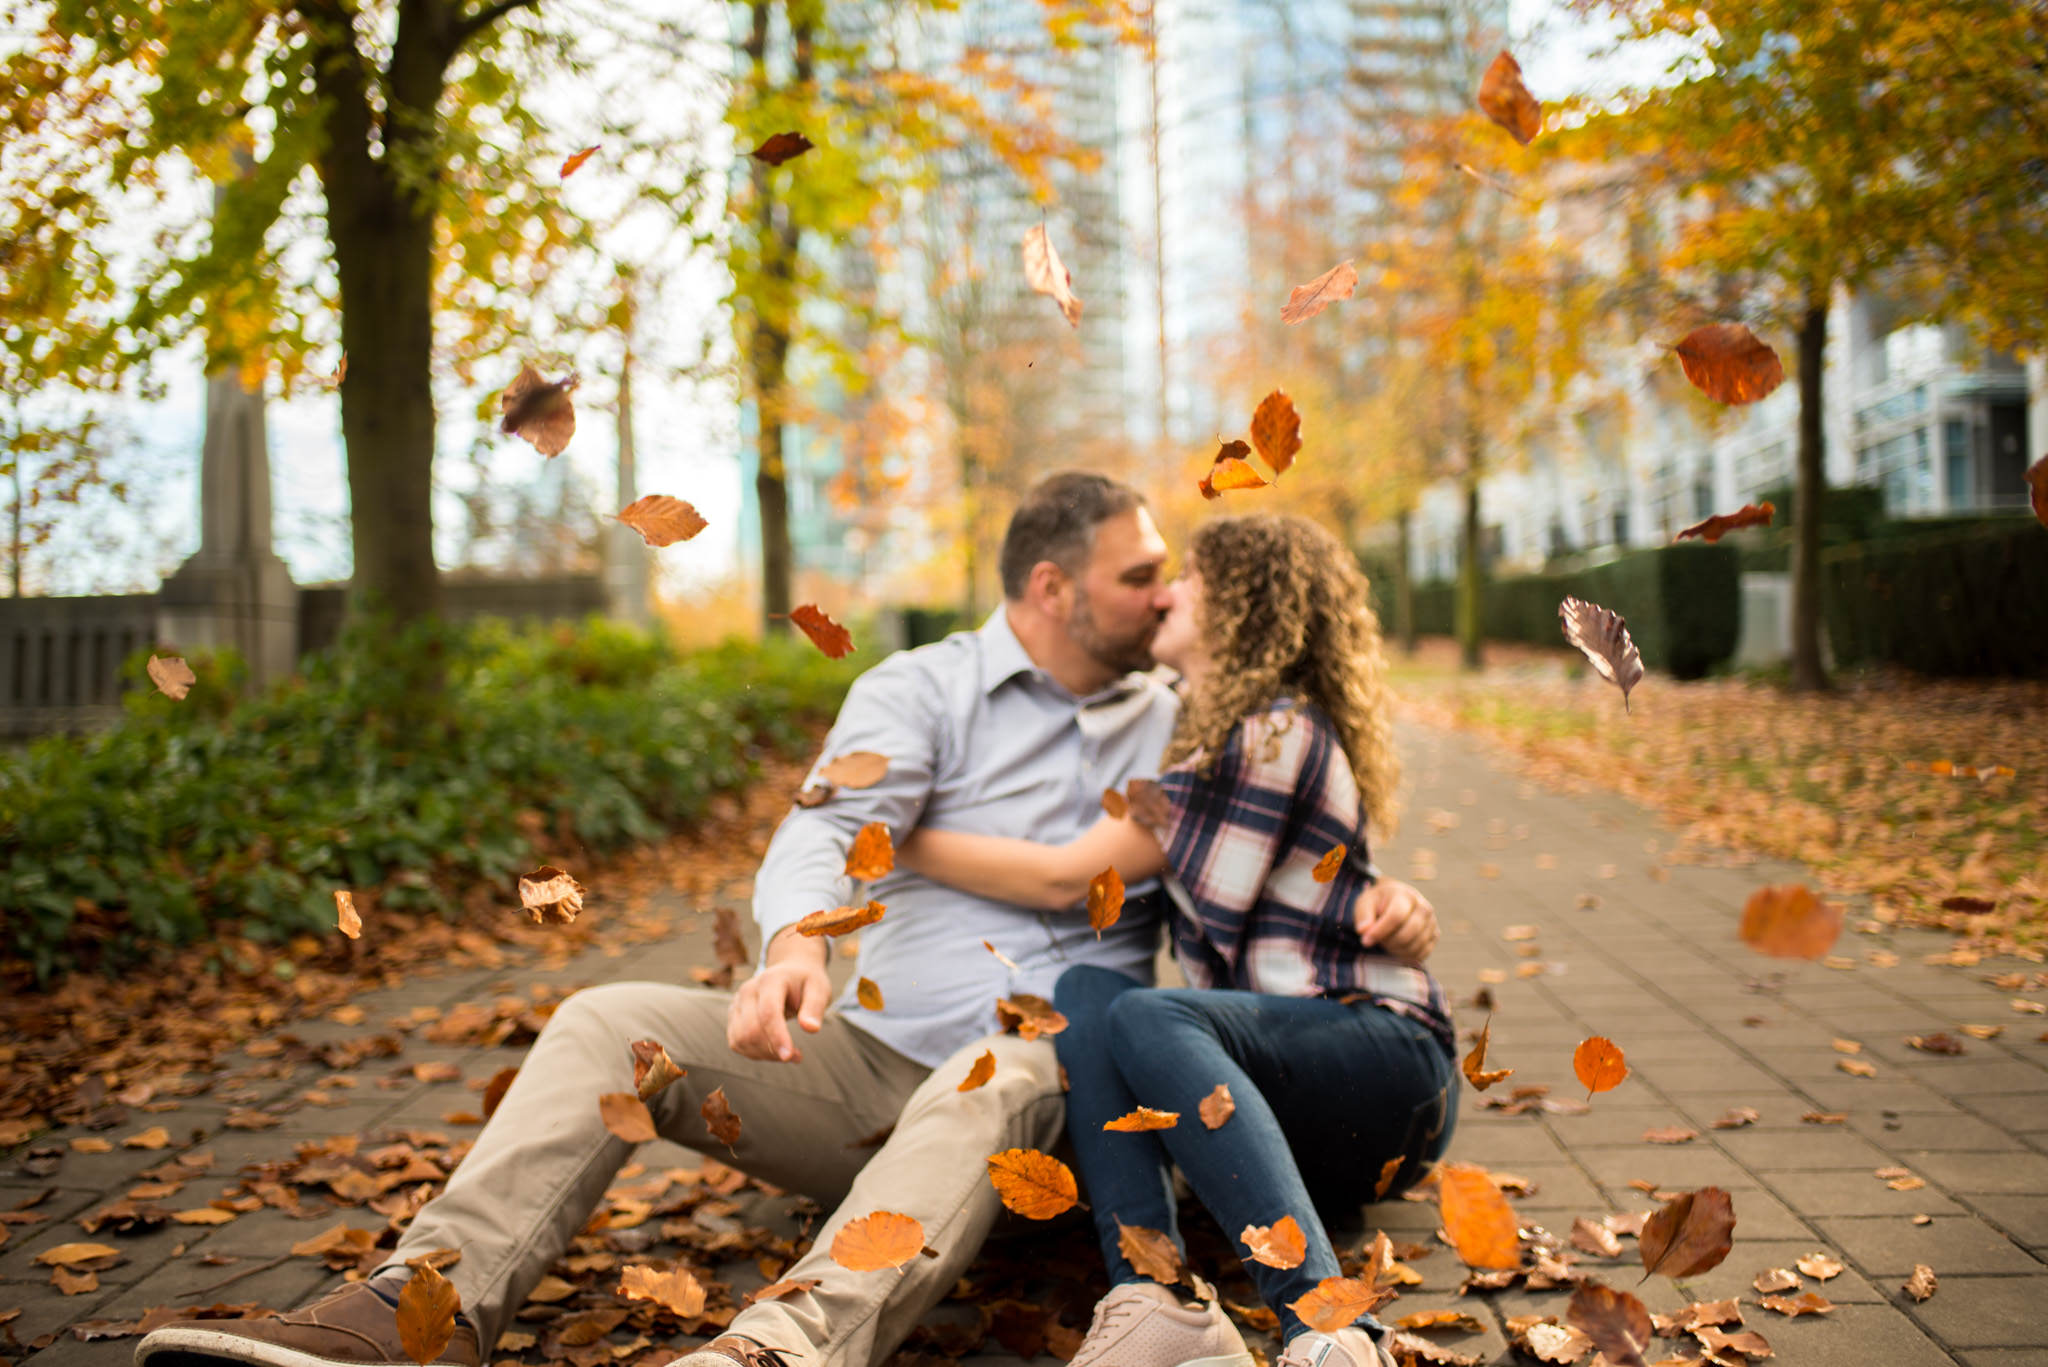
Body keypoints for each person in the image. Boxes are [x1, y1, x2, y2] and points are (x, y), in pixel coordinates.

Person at [135, 476, 1440, 1367]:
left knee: (994, 1067)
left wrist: (1388, 903)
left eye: (1175, 583)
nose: (1166, 599)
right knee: (607, 1019)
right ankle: (408, 1311)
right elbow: (820, 824)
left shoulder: (1181, 712)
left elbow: (1267, 841)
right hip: (868, 1066)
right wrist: (794, 940)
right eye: (1141, 575)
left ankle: (784, 1344)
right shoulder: (919, 687)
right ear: (1053, 586)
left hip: (1050, 1078)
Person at [896, 512, 1457, 1367]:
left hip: (1383, 1059)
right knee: (1084, 990)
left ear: (1238, 608)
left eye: (1189, 577)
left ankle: (1331, 1328)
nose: (1168, 594)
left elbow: (1065, 876)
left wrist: (897, 829)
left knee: (1152, 1017)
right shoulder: (1214, 740)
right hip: (1297, 1094)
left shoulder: (1270, 730)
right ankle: (1156, 1296)